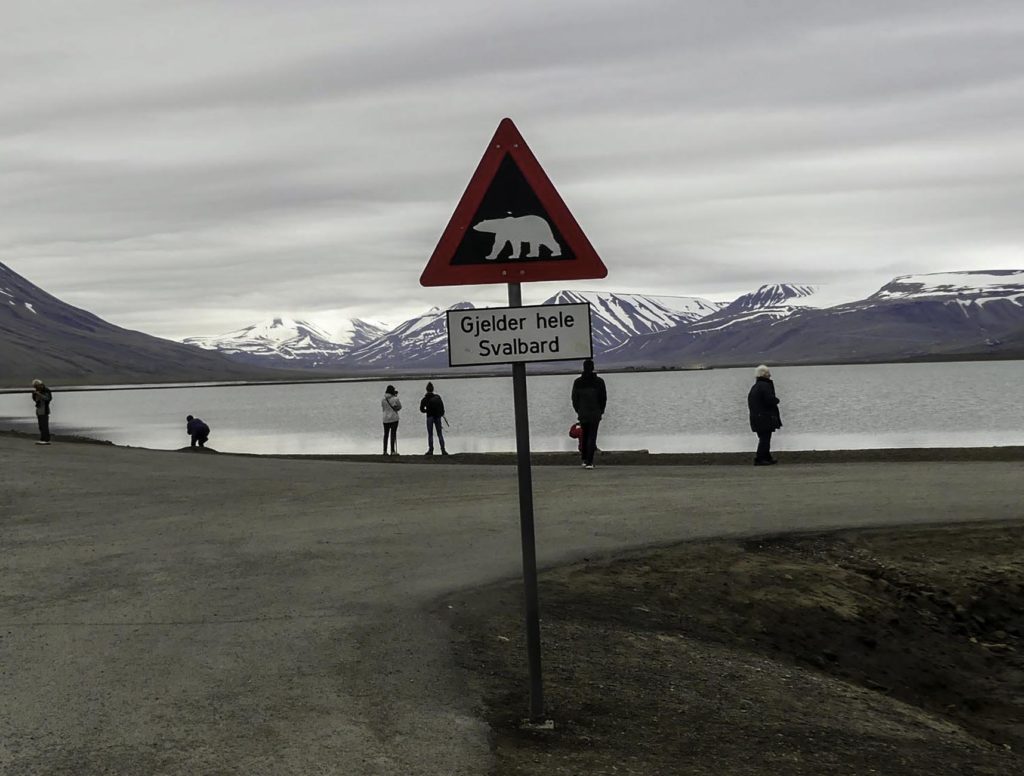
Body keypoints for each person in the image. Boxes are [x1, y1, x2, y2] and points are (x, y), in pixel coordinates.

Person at [571, 359, 607, 469]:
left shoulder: (578, 382)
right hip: (595, 413)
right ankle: (589, 462)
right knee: (592, 436)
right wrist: (601, 410)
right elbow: (603, 398)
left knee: (585, 435)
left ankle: (584, 459)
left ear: (583, 367)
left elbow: (574, 399)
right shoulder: (599, 382)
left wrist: (579, 410)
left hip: (583, 413)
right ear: (593, 368)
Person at [747, 365, 782, 466]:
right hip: (764, 417)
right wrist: (776, 400)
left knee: (764, 437)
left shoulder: (756, 386)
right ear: (764, 374)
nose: (770, 375)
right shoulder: (764, 386)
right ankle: (760, 458)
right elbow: (769, 400)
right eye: (768, 373)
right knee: (765, 438)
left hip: (756, 416)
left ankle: (766, 457)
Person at [419, 382, 448, 456]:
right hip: (437, 417)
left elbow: (421, 409)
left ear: (426, 389)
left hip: (429, 417)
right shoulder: (437, 397)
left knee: (430, 434)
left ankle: (431, 450)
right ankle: (443, 450)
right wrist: (441, 413)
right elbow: (442, 407)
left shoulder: (424, 399)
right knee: (440, 434)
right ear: (433, 389)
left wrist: (427, 410)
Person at [381, 385, 401, 455]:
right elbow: (399, 407)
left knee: (385, 435)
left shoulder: (383, 399)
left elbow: (383, 408)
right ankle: (392, 451)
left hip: (385, 419)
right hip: (394, 418)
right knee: (393, 434)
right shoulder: (395, 399)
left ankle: (384, 451)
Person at [31, 379, 52, 445]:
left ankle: (46, 439)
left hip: (44, 410)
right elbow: (35, 400)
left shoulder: (46, 390)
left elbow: (48, 398)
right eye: (35, 387)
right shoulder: (37, 391)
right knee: (41, 426)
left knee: (44, 425)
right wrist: (34, 395)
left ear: (39, 385)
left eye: (36, 386)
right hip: (39, 410)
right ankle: (42, 439)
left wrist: (39, 394)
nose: (36, 388)